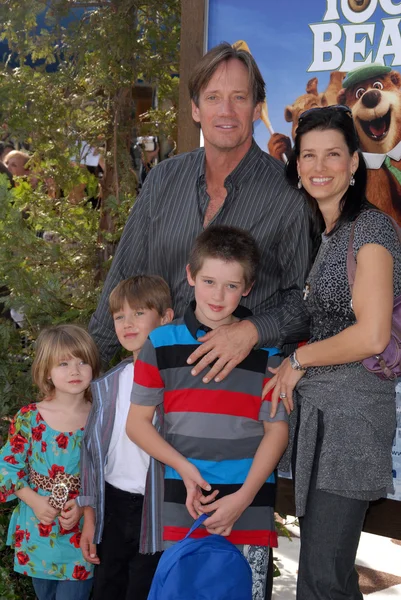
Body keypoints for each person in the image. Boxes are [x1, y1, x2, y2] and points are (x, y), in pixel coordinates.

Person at [89, 42, 311, 383]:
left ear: (256, 109)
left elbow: (304, 300)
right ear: (195, 109)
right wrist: (87, 376)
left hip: (241, 389)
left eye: (239, 97)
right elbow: (123, 278)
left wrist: (251, 330)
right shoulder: (163, 179)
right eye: (212, 97)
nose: (226, 110)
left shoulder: (288, 194)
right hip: (157, 381)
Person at [263, 105, 401, 600]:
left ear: (354, 163)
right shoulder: (324, 232)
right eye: (308, 156)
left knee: (321, 577)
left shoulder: (371, 230)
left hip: (352, 421)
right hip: (320, 419)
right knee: (328, 577)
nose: (319, 166)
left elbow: (371, 335)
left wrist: (298, 362)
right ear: (297, 164)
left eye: (333, 155)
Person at [127, 226, 289, 600]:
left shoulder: (267, 354)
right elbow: (137, 425)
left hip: (247, 506)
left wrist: (243, 497)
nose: (218, 295)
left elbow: (277, 431)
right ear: (190, 275)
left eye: (232, 286)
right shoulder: (160, 343)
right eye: (209, 281)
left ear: (248, 287)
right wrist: (185, 469)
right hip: (184, 504)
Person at [78, 275, 174, 600]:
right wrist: (90, 519)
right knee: (106, 590)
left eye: (139, 313)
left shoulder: (178, 385)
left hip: (159, 508)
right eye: (120, 316)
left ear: (166, 318)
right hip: (113, 505)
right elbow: (90, 455)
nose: (127, 323)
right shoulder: (106, 386)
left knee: (144, 592)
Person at [0, 324, 100, 600]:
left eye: (82, 362)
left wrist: (83, 506)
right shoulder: (30, 417)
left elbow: (108, 475)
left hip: (80, 534)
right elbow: (6, 467)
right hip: (37, 532)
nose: (75, 370)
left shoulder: (101, 418)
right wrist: (33, 500)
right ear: (46, 371)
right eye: (64, 363)